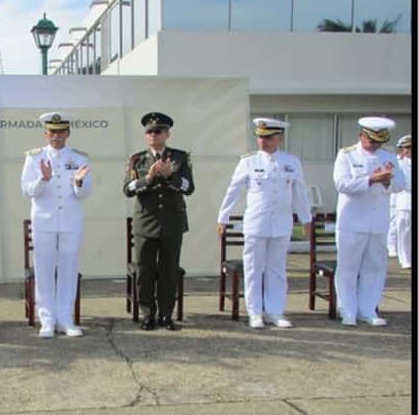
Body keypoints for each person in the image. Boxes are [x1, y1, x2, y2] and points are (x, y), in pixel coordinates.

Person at [217, 118, 312, 329]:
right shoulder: (248, 161)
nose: (263, 141)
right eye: (260, 137)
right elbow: (232, 191)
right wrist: (223, 217)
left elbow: (300, 193)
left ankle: (274, 311)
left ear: (279, 138)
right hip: (256, 223)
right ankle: (255, 312)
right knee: (253, 268)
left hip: (281, 223)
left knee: (277, 269)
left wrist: (306, 220)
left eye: (268, 137)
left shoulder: (291, 162)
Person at [21, 112, 92, 338]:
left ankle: (65, 318)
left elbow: (84, 193)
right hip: (43, 221)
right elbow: (26, 190)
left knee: (68, 269)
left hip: (71, 221)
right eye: (52, 131)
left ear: (68, 133)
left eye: (61, 131)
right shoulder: (34, 158)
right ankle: (47, 320)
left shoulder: (79, 158)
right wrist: (43, 179)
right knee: (43, 270)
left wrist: (79, 182)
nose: (56, 136)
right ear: (45, 133)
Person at [123, 112, 194, 331]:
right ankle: (148, 314)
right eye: (150, 131)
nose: (154, 134)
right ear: (146, 135)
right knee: (145, 271)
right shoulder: (137, 159)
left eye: (158, 131)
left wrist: (171, 176)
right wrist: (149, 178)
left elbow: (189, 188)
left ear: (167, 134)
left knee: (168, 270)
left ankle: (166, 314)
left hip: (172, 222)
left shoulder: (180, 157)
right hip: (146, 222)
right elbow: (127, 189)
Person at [333, 116, 405, 327]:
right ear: (361, 136)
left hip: (378, 221)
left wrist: (387, 181)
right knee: (348, 268)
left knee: (375, 267)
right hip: (352, 220)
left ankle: (368, 309)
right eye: (372, 141)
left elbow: (401, 184)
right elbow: (342, 184)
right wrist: (371, 180)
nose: (375, 146)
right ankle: (347, 310)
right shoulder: (346, 155)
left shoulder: (388, 156)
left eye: (379, 142)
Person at [394, 135, 412, 269]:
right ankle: (405, 259)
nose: (410, 150)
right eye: (407, 147)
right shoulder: (398, 163)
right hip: (405, 197)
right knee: (404, 229)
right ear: (402, 149)